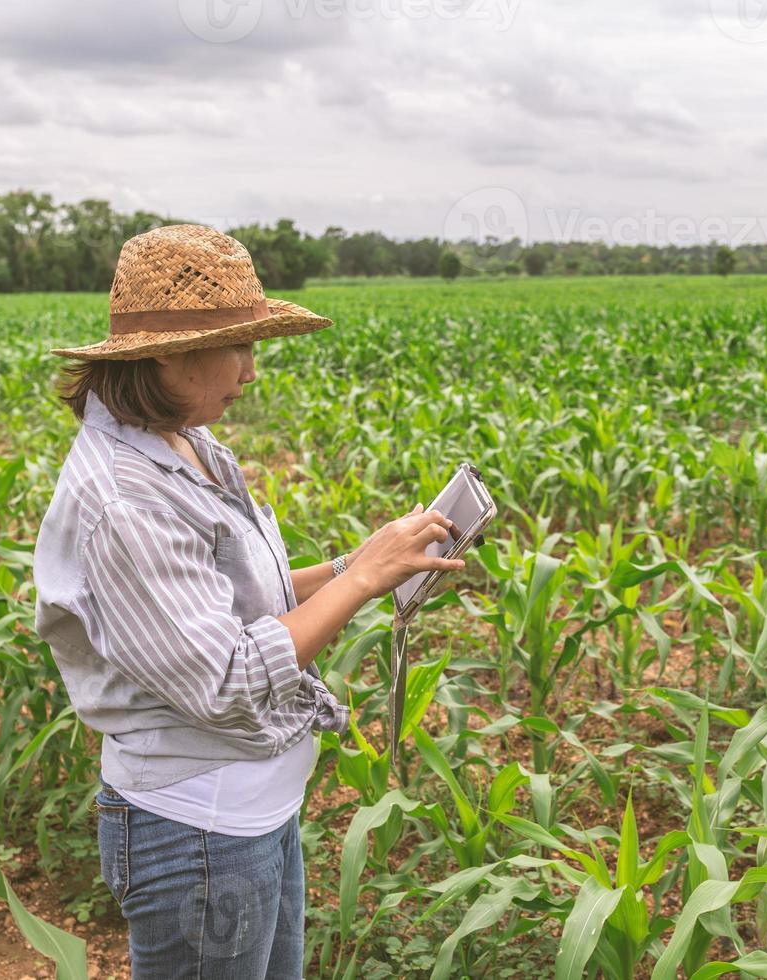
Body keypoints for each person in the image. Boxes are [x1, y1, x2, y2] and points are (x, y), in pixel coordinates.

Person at [32, 223, 466, 978]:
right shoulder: (125, 499)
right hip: (198, 831)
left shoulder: (184, 443)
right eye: (237, 346)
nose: (252, 370)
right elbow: (224, 676)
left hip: (248, 813)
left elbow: (234, 602)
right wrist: (362, 580)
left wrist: (360, 562)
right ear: (168, 353)